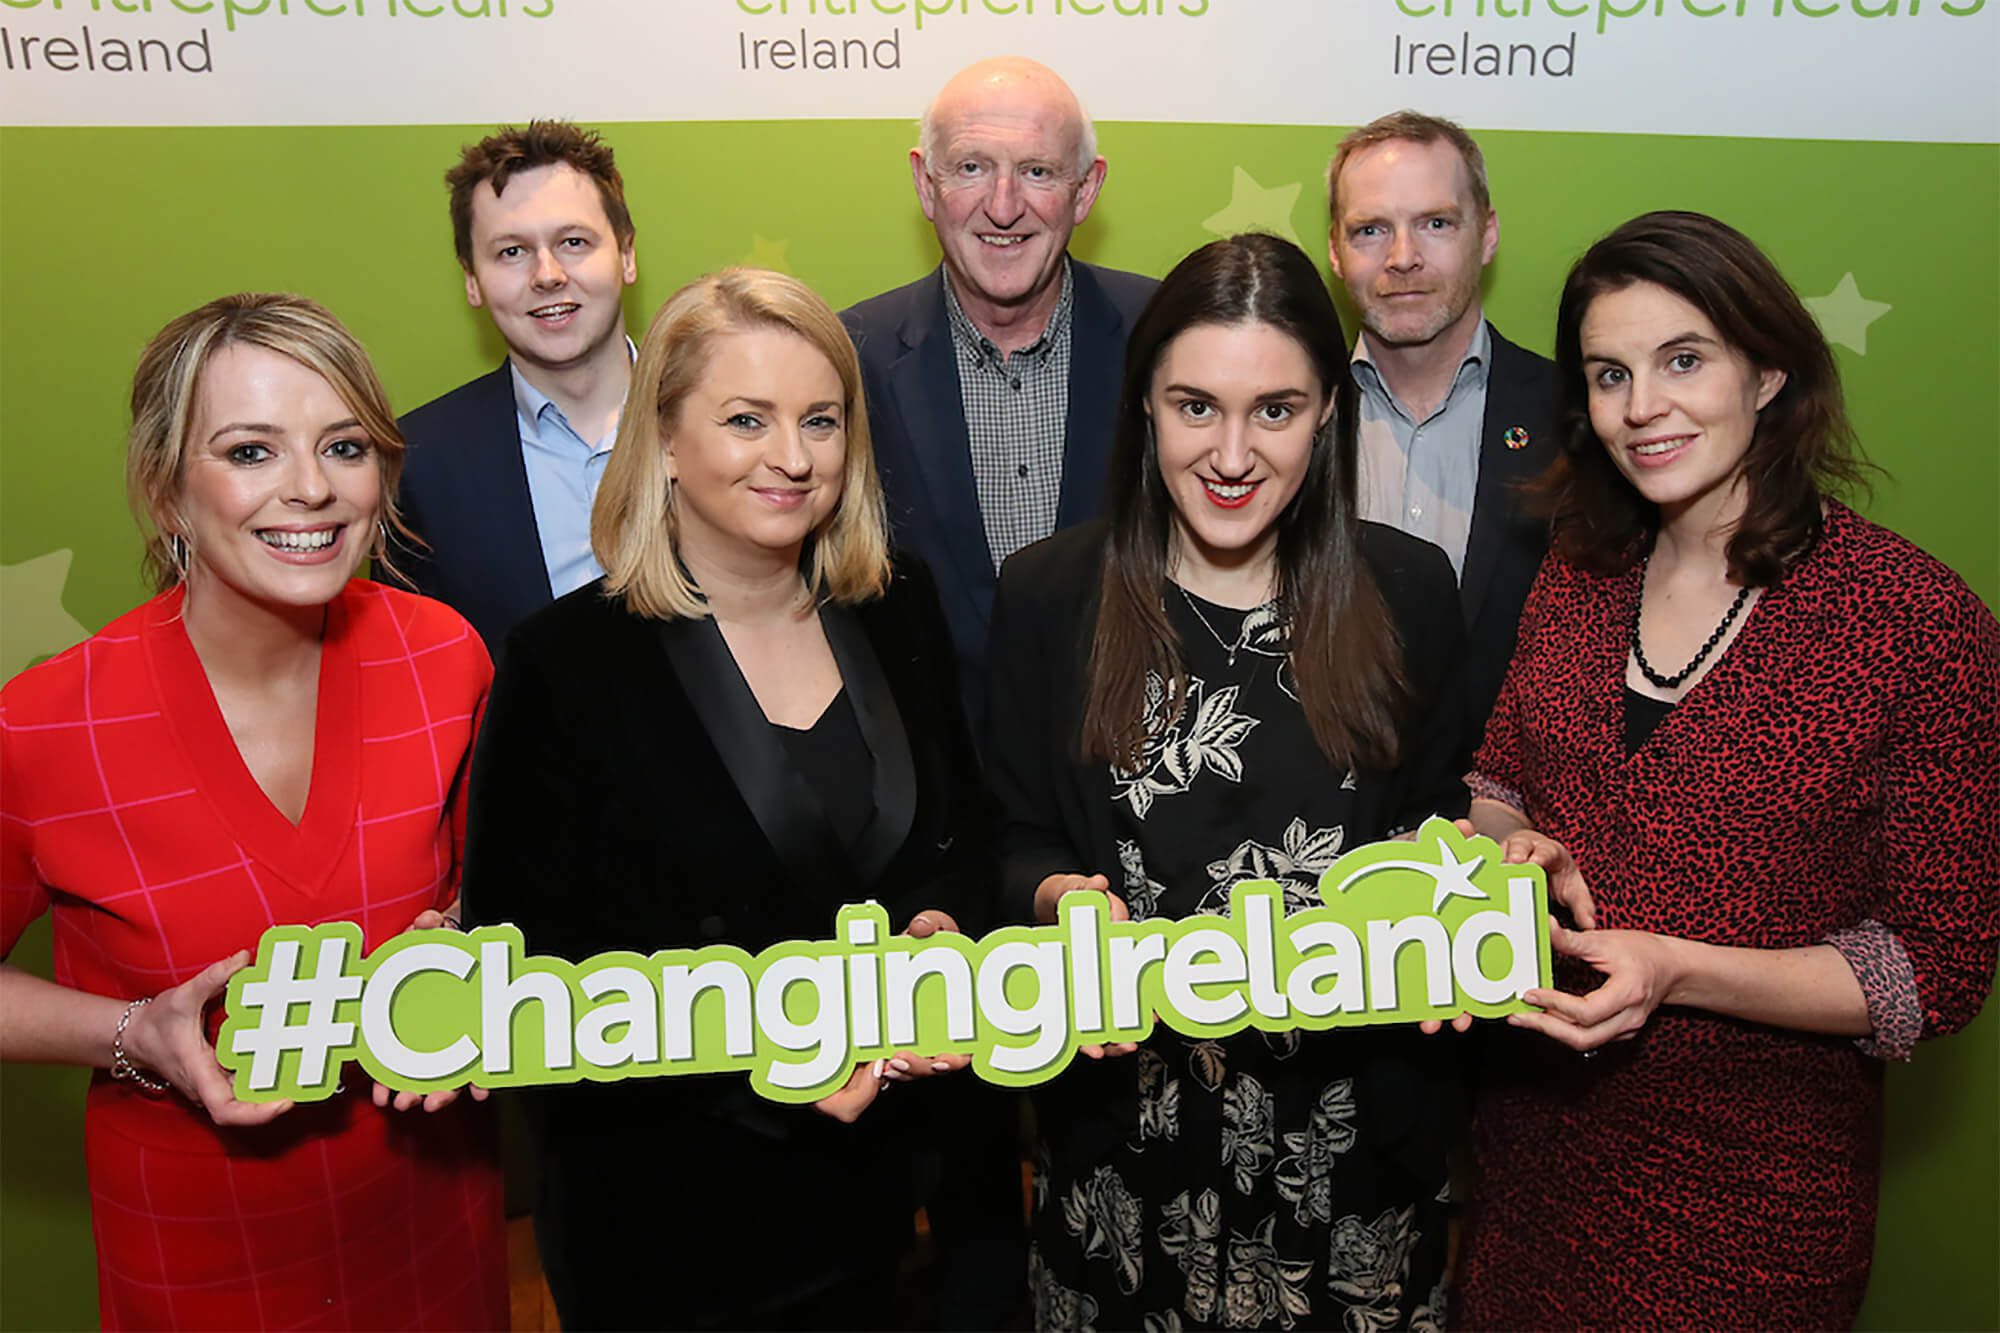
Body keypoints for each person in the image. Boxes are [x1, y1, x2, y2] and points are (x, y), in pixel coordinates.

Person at [1453, 211, 2000, 1329]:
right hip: (1527, 1165)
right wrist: (1500, 849)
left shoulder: (1913, 620)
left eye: (1682, 360)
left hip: (1752, 1204)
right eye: (1608, 374)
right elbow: (1495, 779)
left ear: (1768, 371)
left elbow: (1933, 969)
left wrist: (1675, 969)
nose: (1640, 406)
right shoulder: (1577, 571)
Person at [461, 268, 991, 1330]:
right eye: (746, 419)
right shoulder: (565, 663)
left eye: (820, 421)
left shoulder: (897, 605)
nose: (792, 459)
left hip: (885, 1210)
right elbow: (521, 985)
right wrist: (765, 1079)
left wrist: (943, 930)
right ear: (661, 438)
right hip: (667, 1233)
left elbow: (957, 841)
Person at [987, 233, 1474, 1330]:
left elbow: (1440, 818)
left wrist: (1464, 890)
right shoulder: (1049, 596)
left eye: (1276, 409)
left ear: (1326, 416)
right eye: (1194, 406)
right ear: (1144, 410)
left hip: (1349, 1159)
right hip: (1124, 1149)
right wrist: (1056, 898)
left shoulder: (1407, 589)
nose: (1231, 452)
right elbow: (1012, 832)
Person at [0, 293, 507, 1329]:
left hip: (431, 1230)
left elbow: (487, 901)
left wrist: (468, 948)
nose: (312, 489)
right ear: (166, 490)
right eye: (249, 450)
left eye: (343, 445)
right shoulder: (47, 725)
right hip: (198, 1258)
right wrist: (133, 1031)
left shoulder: (444, 657)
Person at [842, 55, 1157, 734]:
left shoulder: (1167, 338)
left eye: (1038, 171)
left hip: (1136, 778)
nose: (1004, 205)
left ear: (1086, 189)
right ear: (926, 185)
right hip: (936, 796)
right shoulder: (849, 356)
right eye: (972, 167)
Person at [1327, 110, 1559, 748]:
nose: (1403, 258)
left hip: (1509, 828)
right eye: (1371, 229)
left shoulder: (1578, 420)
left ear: (1486, 235)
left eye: (1435, 223)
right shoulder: (1287, 417)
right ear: (1335, 251)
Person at [396, 119, 640, 657]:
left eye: (573, 242)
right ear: (471, 280)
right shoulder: (416, 465)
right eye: (511, 252)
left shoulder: (724, 422)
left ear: (625, 255)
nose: (547, 274)